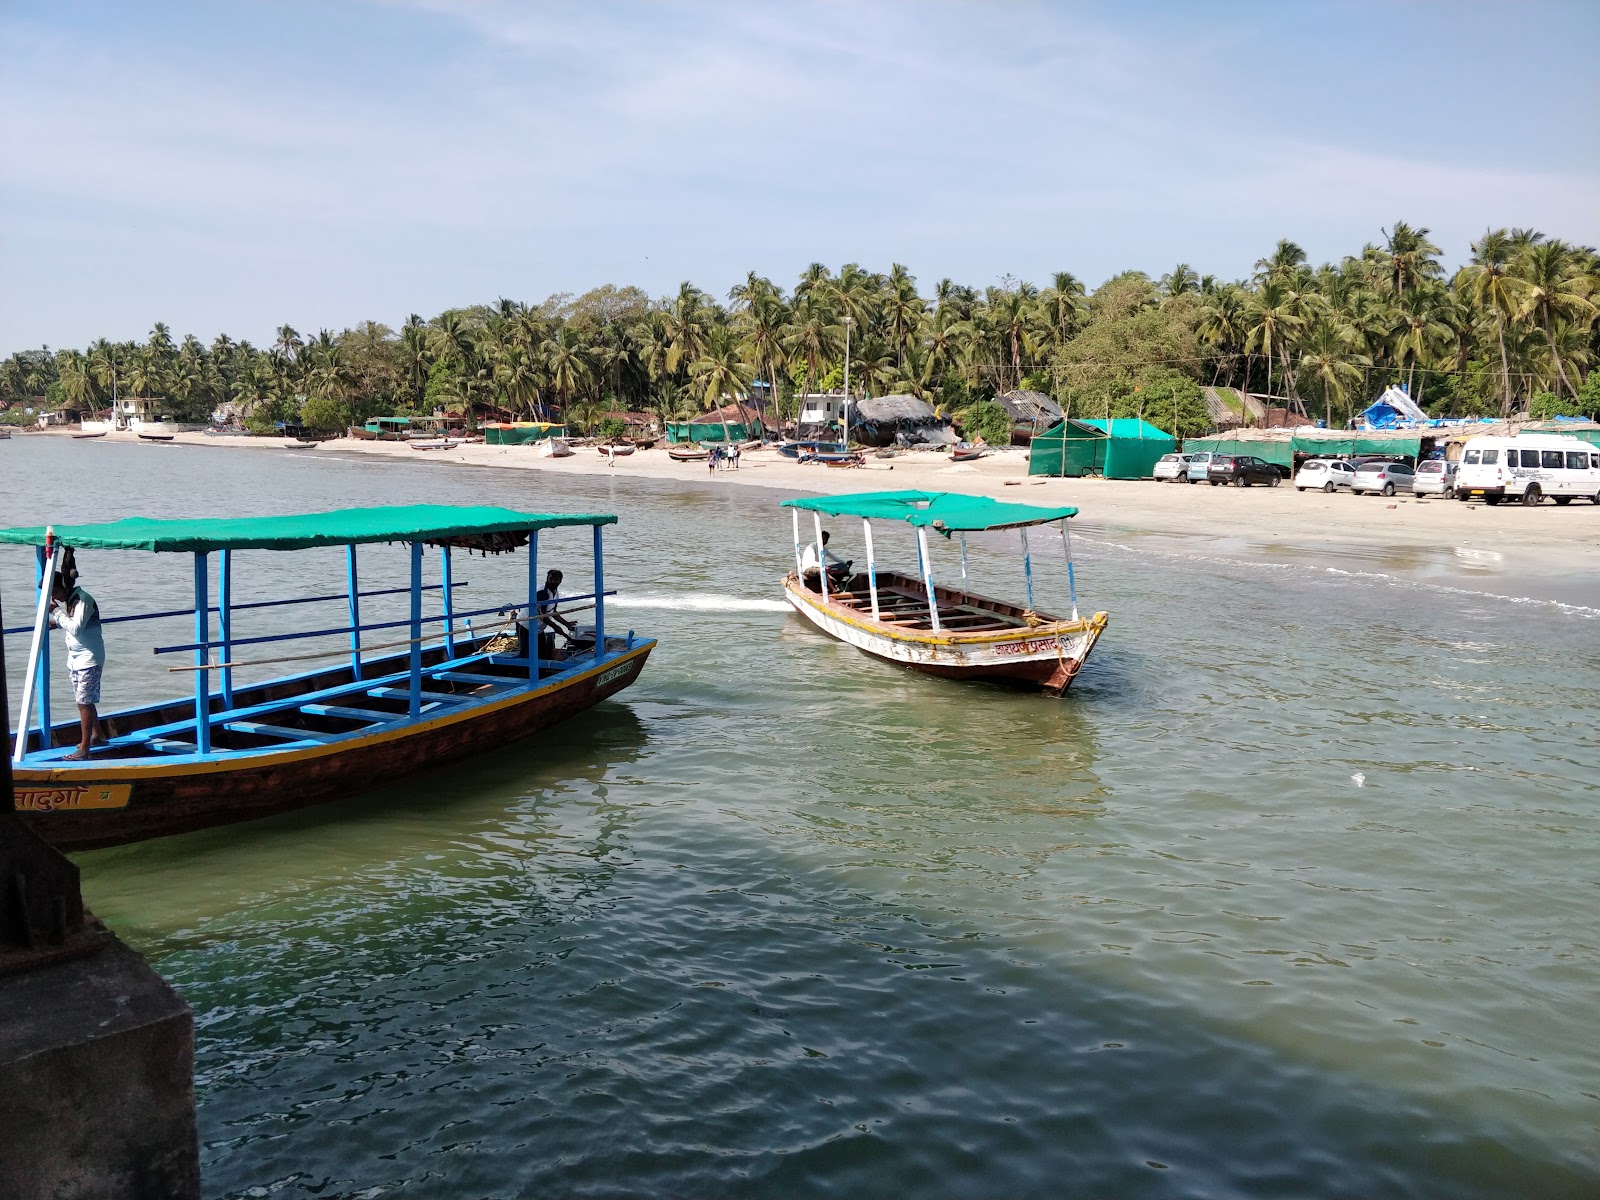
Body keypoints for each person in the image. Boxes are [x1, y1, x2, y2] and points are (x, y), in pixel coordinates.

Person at [49, 554, 106, 759]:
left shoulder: (83, 600)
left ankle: (84, 749)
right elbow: (72, 623)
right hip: (76, 659)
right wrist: (56, 621)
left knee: (84, 702)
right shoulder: (71, 601)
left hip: (89, 659)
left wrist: (56, 613)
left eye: (55, 591)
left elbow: (75, 627)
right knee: (84, 700)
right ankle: (97, 735)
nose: (54, 597)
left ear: (65, 586)